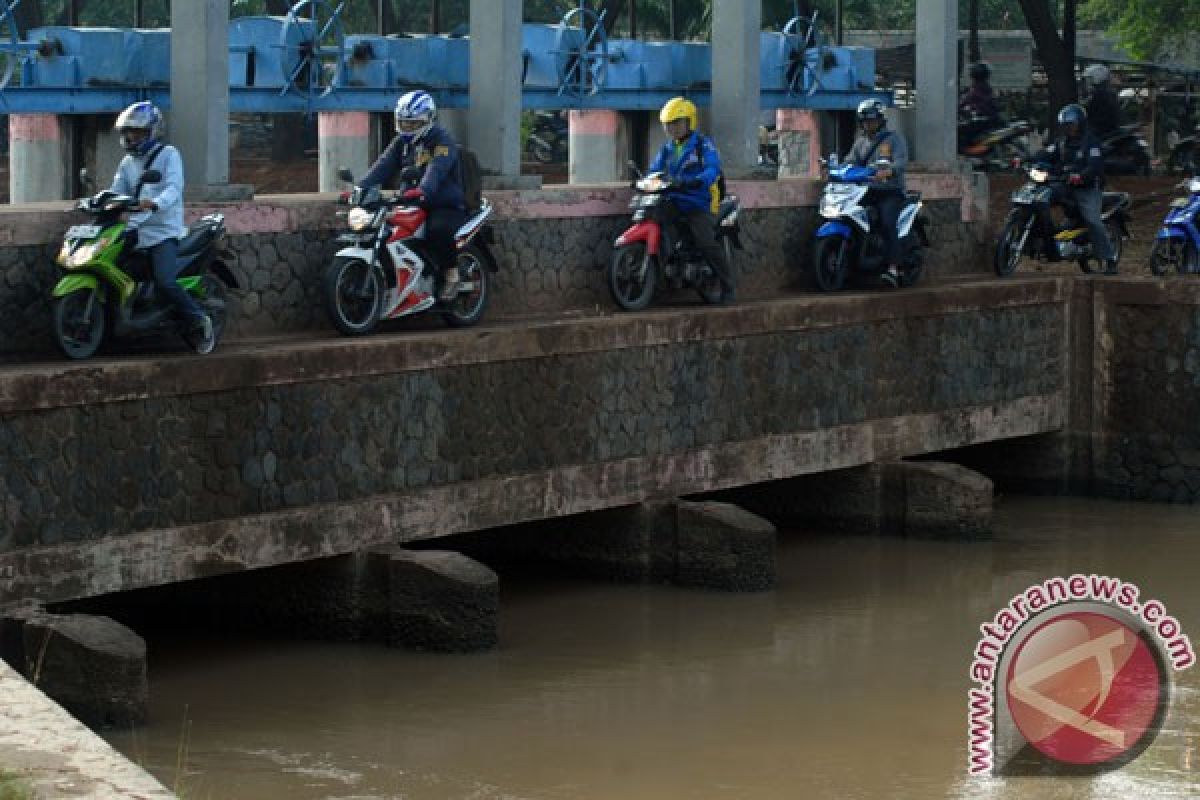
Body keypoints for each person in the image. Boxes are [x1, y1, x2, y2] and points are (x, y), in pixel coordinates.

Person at [110, 101, 214, 354]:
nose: (131, 137)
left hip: (163, 232)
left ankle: (200, 319)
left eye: (136, 132)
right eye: (127, 132)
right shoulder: (127, 163)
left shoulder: (169, 155)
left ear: (151, 132)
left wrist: (154, 204)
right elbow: (117, 189)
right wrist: (99, 201)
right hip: (135, 230)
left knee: (165, 280)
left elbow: (173, 188)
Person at [359, 90, 466, 303]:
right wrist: (360, 187)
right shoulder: (401, 143)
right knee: (388, 230)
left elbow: (437, 169)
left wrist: (424, 190)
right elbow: (383, 165)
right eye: (404, 123)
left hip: (443, 204)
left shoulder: (443, 141)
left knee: (438, 231)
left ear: (428, 119)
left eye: (413, 124)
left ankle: (452, 276)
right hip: (411, 200)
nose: (407, 128)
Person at [648, 96, 736, 303]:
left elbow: (713, 169)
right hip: (674, 199)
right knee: (656, 220)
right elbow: (654, 170)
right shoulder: (667, 149)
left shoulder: (704, 145)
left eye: (677, 123)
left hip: (699, 201)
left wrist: (696, 181)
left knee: (706, 242)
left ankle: (728, 286)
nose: (672, 128)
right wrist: (646, 181)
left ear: (690, 122)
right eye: (668, 124)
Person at [1038, 103, 1118, 274]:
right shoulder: (1061, 143)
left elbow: (1095, 166)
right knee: (1041, 198)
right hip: (1065, 184)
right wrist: (1026, 160)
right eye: (1066, 125)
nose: (1069, 129)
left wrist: (1082, 176)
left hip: (1087, 188)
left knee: (1093, 220)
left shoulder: (1091, 143)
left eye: (1071, 125)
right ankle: (1046, 237)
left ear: (1080, 123)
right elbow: (1046, 154)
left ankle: (1109, 258)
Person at [844, 98, 909, 288]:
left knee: (888, 223)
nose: (868, 124)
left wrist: (888, 171)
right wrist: (833, 169)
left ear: (881, 120)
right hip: (866, 191)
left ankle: (893, 269)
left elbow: (901, 162)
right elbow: (849, 162)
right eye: (865, 121)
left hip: (890, 192)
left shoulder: (894, 139)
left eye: (871, 120)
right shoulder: (860, 143)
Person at [958, 62, 1002, 147]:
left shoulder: (976, 89)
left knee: (962, 131)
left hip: (985, 120)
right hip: (993, 119)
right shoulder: (987, 87)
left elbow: (964, 103)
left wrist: (959, 108)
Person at [1083, 64, 1121, 139]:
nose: (1087, 82)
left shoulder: (1098, 94)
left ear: (1097, 78)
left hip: (1101, 129)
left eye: (1090, 79)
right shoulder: (1109, 92)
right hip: (1109, 127)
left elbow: (1086, 108)